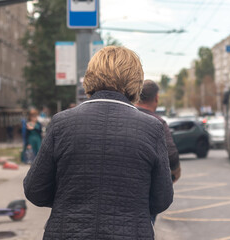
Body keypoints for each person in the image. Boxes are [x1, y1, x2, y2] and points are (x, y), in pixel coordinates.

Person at [23, 46, 173, 240]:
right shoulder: (152, 128)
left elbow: (35, 190)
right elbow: (162, 199)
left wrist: (68, 203)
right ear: (135, 82)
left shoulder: (61, 123)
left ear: (90, 76)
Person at [136, 80, 181, 224]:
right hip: (149, 190)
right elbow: (171, 154)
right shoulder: (158, 122)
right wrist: (175, 172)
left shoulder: (126, 117)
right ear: (156, 98)